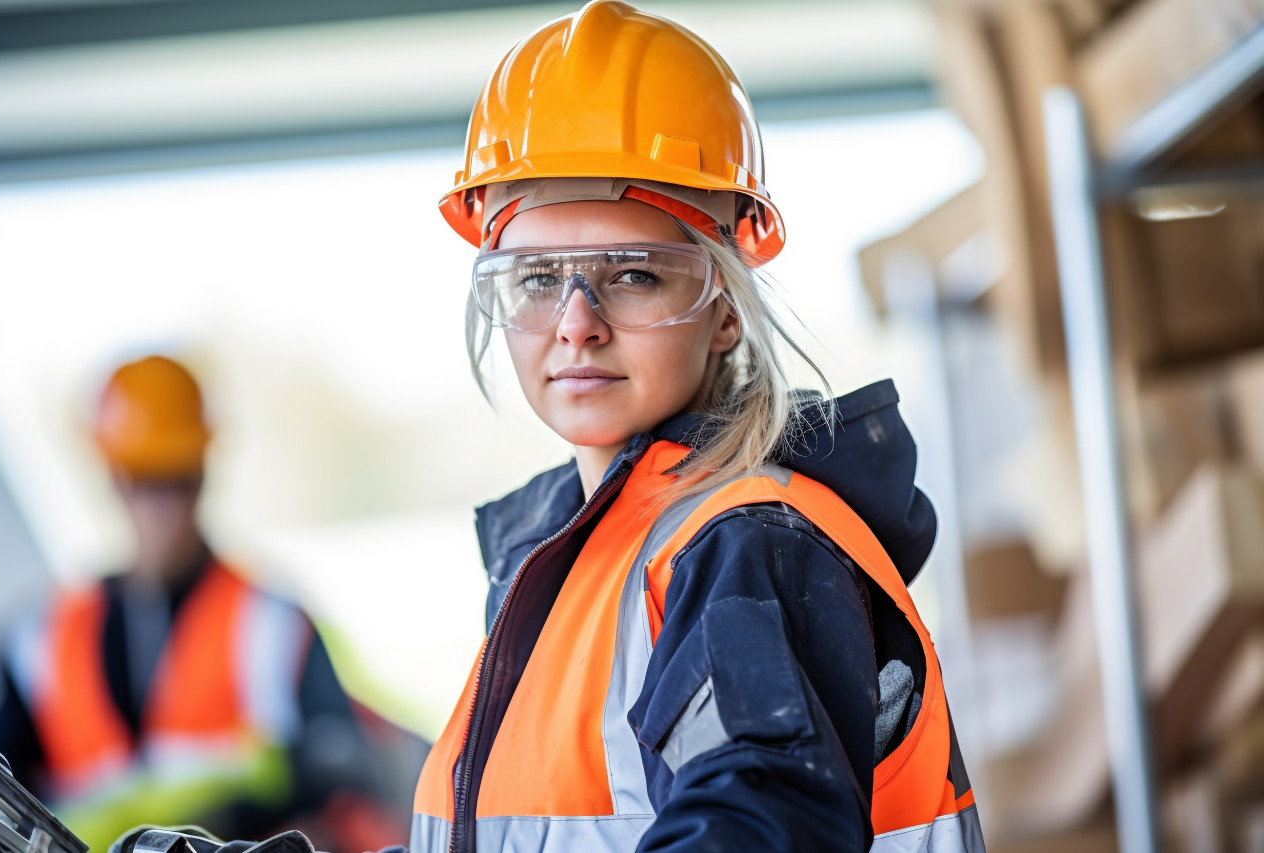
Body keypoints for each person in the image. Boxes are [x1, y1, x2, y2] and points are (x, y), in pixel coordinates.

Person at [403, 2, 986, 852]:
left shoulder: (746, 542)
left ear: (724, 310)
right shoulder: (585, 556)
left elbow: (758, 818)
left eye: (635, 274)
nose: (576, 322)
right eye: (534, 278)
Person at [0, 355, 410, 853]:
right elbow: (2, 803)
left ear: (202, 475)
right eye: (143, 479)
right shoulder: (38, 641)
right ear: (114, 478)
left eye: (176, 478)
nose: (159, 505)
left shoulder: (272, 626)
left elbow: (347, 791)